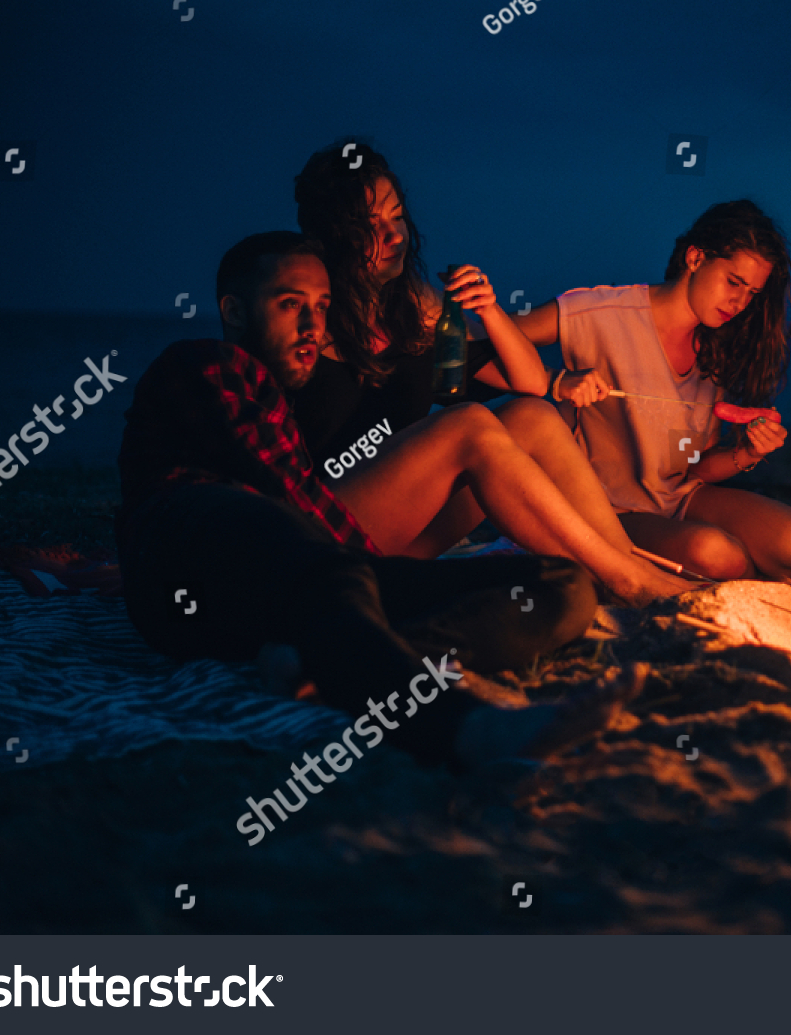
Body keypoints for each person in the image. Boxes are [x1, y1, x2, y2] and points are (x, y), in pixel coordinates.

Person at [116, 231, 645, 771]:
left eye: (322, 307)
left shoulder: (286, 398)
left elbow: (314, 522)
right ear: (233, 309)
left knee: (561, 588)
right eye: (290, 304)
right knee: (321, 558)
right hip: (192, 557)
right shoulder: (205, 362)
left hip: (304, 585)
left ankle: (332, 662)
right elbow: (289, 502)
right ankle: (466, 728)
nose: (312, 326)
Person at [289, 142, 688, 605]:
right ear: (333, 235)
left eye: (396, 217)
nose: (394, 235)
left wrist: (490, 310)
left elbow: (530, 384)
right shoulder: (308, 315)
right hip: (336, 539)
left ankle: (624, 565)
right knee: (467, 424)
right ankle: (627, 578)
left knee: (530, 418)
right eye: (370, 226)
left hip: (405, 540)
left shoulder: (410, 306)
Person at [514, 200, 791, 581]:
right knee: (720, 556)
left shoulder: (713, 350)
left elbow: (695, 465)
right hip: (609, 512)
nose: (739, 302)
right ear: (695, 257)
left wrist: (747, 452)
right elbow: (491, 342)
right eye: (733, 282)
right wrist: (554, 380)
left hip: (680, 501)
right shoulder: (600, 314)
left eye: (752, 292)